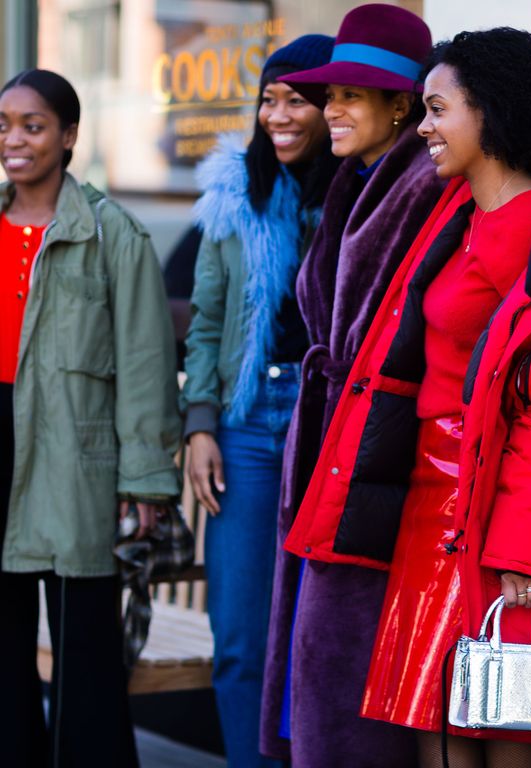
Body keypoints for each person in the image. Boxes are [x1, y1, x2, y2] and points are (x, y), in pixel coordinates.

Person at [282, 28, 531, 768]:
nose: (425, 127)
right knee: (438, 728)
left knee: (502, 728)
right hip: (433, 510)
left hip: (497, 521)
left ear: (491, 115)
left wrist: (521, 554)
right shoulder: (458, 218)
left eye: (438, 110)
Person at [258, 6, 446, 767]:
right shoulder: (358, 182)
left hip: (380, 466)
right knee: (319, 665)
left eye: (350, 95)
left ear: (402, 105)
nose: (328, 107)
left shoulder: (422, 186)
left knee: (349, 673)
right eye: (326, 92)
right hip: (333, 448)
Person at [0, 68, 180, 767]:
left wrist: (145, 484)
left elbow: (142, 366)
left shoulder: (115, 235)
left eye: (33, 125)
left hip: (73, 456)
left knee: (85, 652)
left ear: (69, 136)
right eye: (5, 125)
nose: (15, 140)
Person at [180, 34, 338, 768]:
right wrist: (201, 424)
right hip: (245, 427)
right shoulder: (234, 191)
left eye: (295, 99)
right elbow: (208, 321)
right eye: (268, 99)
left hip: (329, 426)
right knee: (240, 634)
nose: (278, 114)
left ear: (331, 106)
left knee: (316, 629)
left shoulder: (359, 196)